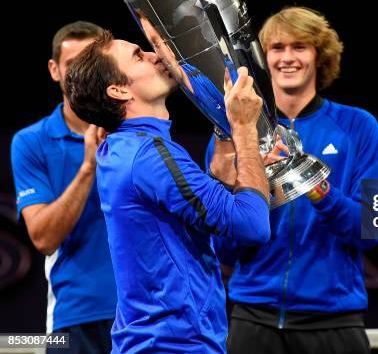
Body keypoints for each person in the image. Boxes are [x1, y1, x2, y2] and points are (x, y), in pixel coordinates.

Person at [64, 30, 271, 353]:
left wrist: (218, 180)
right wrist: (244, 130)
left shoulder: (122, 147)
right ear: (118, 90)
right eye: (138, 55)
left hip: (165, 341)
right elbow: (252, 226)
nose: (154, 55)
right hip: (175, 344)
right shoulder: (148, 154)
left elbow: (181, 235)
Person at [206, 6, 378, 354]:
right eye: (277, 48)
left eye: (299, 47)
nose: (287, 58)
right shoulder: (233, 132)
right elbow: (224, 249)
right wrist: (243, 185)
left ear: (320, 56)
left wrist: (311, 183)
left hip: (333, 320)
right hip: (252, 318)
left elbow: (372, 230)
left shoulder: (359, 126)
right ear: (262, 58)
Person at [10, 21, 116, 353]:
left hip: (145, 312)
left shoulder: (136, 131)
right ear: (55, 70)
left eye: (92, 63)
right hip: (73, 318)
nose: (83, 75)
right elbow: (42, 237)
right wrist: (88, 167)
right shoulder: (31, 142)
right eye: (73, 65)